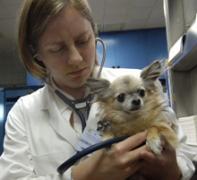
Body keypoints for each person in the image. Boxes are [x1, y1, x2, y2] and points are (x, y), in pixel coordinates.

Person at [0, 0, 195, 179]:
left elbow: (186, 156)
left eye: (83, 40)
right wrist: (78, 177)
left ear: (94, 33)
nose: (76, 59)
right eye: (57, 49)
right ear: (36, 53)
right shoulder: (23, 113)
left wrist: (173, 171)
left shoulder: (141, 84)